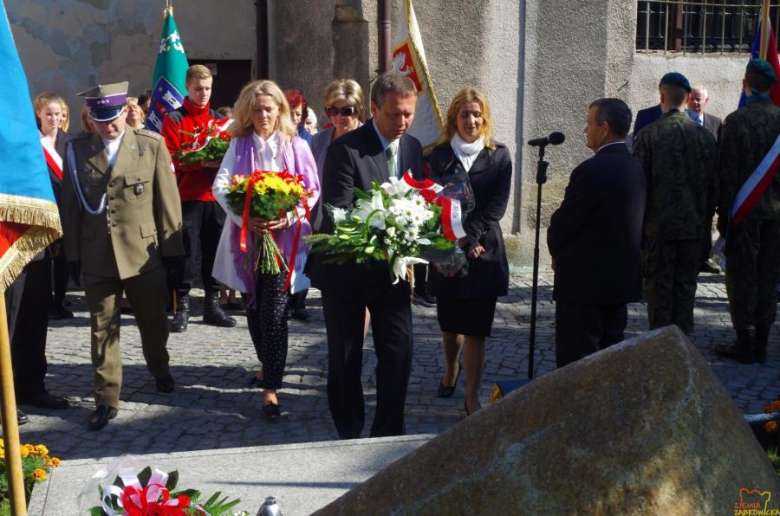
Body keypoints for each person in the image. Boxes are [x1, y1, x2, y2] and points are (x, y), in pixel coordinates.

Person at [60, 81, 186, 430]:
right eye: (101, 120)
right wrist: (72, 254)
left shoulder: (150, 145)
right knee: (101, 329)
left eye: (113, 117)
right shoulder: (78, 150)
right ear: (91, 118)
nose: (109, 126)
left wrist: (175, 255)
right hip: (97, 255)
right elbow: (70, 207)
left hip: (144, 254)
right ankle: (106, 397)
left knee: (153, 322)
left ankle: (159, 367)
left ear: (124, 113)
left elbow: (167, 202)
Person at [310, 71, 422, 439]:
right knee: (346, 356)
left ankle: (388, 432)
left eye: (408, 113)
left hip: (392, 271)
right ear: (373, 109)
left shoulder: (412, 147)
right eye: (394, 115)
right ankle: (349, 429)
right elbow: (339, 210)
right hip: (346, 270)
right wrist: (390, 228)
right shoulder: (346, 150)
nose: (402, 122)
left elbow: (419, 200)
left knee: (399, 351)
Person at [212, 80, 319, 417]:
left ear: (279, 111)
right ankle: (265, 363)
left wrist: (289, 217)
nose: (262, 115)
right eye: (256, 109)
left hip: (284, 242)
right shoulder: (240, 145)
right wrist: (245, 218)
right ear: (249, 111)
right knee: (255, 311)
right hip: (248, 242)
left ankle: (271, 387)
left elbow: (312, 191)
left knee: (274, 313)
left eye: (268, 109)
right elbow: (220, 186)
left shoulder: (297, 145)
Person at [427, 87, 512, 415]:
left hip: (485, 251)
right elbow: (439, 204)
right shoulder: (439, 155)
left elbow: (496, 207)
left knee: (477, 329)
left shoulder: (499, 155)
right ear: (454, 119)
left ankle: (471, 397)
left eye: (477, 114)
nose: (471, 120)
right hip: (448, 248)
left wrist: (472, 238)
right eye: (465, 115)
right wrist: (461, 239)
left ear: (484, 118)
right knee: (450, 324)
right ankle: (451, 369)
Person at [548, 98, 646, 368]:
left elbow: (565, 224)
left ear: (603, 128)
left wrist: (555, 249)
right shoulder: (634, 167)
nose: (585, 129)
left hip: (584, 288)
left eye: (589, 123)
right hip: (619, 284)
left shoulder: (590, 171)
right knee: (610, 361)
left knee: (577, 364)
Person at [632, 72, 717, 335]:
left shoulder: (649, 135)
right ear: (688, 98)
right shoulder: (704, 137)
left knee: (658, 289)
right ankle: (683, 345)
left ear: (662, 97)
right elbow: (714, 188)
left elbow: (638, 185)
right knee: (685, 287)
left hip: (658, 230)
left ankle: (660, 345)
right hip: (693, 227)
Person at [714, 59, 780, 365]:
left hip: (746, 213)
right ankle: (762, 343)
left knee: (741, 276)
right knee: (769, 276)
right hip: (776, 216)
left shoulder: (736, 121)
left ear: (746, 84)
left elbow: (726, 174)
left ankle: (744, 342)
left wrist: (724, 217)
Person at [162, 64, 236, 332]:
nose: (203, 94)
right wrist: (198, 164)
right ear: (188, 88)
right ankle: (182, 307)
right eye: (198, 89)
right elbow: (170, 157)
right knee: (185, 254)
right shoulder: (175, 120)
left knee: (214, 253)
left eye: (207, 89)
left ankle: (212, 306)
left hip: (215, 197)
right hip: (187, 196)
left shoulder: (218, 120)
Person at [308, 78, 371, 333]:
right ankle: (341, 341)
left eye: (346, 110)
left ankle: (359, 339)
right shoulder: (319, 141)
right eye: (332, 110)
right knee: (332, 292)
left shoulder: (368, 139)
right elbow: (311, 184)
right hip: (326, 226)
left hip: (362, 227)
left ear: (359, 109)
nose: (339, 117)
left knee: (361, 293)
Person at [34, 92, 73, 320]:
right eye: (49, 114)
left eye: (58, 114)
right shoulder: (32, 142)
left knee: (63, 260)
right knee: (44, 259)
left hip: (65, 208)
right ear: (39, 114)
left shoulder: (69, 141)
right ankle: (43, 301)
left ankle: (59, 300)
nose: (54, 118)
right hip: (43, 207)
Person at [687, 85, 724, 275]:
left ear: (706, 102)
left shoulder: (716, 123)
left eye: (699, 99)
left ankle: (702, 258)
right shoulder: (682, 122)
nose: (695, 102)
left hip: (708, 185)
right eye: (692, 98)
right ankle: (687, 259)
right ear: (687, 99)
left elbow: (720, 153)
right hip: (686, 185)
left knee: (706, 221)